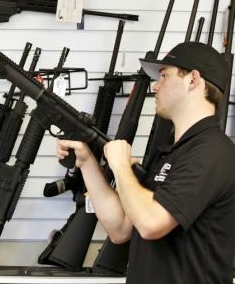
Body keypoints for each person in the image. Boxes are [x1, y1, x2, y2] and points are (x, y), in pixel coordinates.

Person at [57, 41, 235, 284]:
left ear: (193, 80)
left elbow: (151, 223)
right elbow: (120, 228)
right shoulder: (171, 153)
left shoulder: (212, 152)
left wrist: (120, 166)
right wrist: (87, 162)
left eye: (164, 75)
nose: (155, 85)